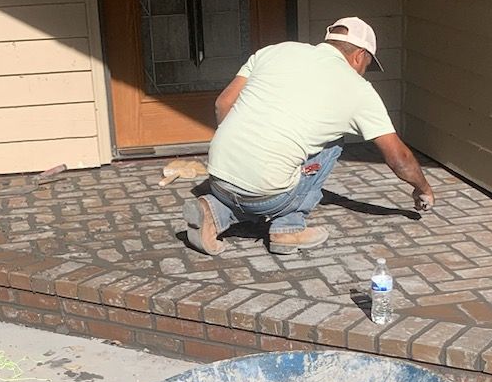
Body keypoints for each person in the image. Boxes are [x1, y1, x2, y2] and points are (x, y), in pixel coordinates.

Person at [182, 17, 435, 256]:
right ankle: (289, 227)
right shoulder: (359, 90)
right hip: (268, 197)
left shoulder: (275, 51)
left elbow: (223, 103)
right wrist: (422, 188)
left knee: (247, 188)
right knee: (334, 142)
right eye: (367, 65)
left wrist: (242, 157)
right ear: (360, 56)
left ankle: (213, 210)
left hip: (218, 178)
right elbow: (398, 157)